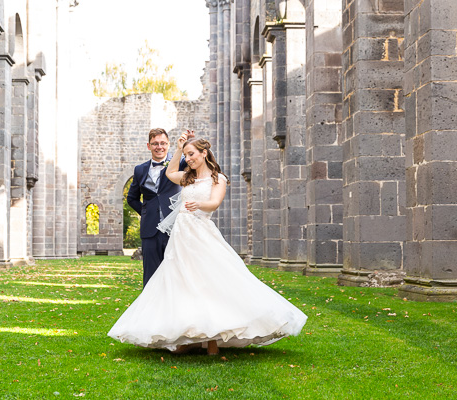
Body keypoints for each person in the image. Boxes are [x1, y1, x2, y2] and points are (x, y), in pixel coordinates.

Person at [110, 131, 308, 355]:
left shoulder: (218, 178)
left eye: (191, 154)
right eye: (187, 155)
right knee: (180, 281)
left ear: (204, 153)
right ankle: (183, 335)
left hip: (201, 232)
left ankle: (212, 339)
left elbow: (214, 203)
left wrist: (198, 204)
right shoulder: (187, 177)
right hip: (181, 235)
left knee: (207, 280)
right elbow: (169, 172)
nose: (189, 159)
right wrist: (178, 148)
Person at [127, 128, 187, 287]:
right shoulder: (140, 170)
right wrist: (146, 213)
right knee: (151, 276)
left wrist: (187, 145)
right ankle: (150, 310)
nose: (159, 147)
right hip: (150, 230)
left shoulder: (180, 163)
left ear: (168, 145)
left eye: (162, 143)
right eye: (155, 144)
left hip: (174, 228)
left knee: (176, 272)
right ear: (149, 146)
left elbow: (200, 158)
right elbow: (132, 198)